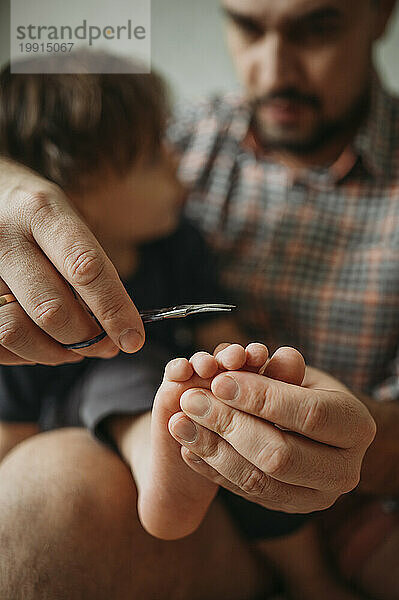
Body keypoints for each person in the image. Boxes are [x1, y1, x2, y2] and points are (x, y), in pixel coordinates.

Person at [0, 0, 389, 596]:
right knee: (120, 389)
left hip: (255, 463)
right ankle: (164, 469)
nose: (273, 69)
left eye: (319, 27)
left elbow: (216, 324)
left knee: (200, 399)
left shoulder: (173, 239)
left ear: (383, 14)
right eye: (247, 26)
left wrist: (259, 376)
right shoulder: (182, 127)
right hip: (97, 422)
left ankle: (303, 570)